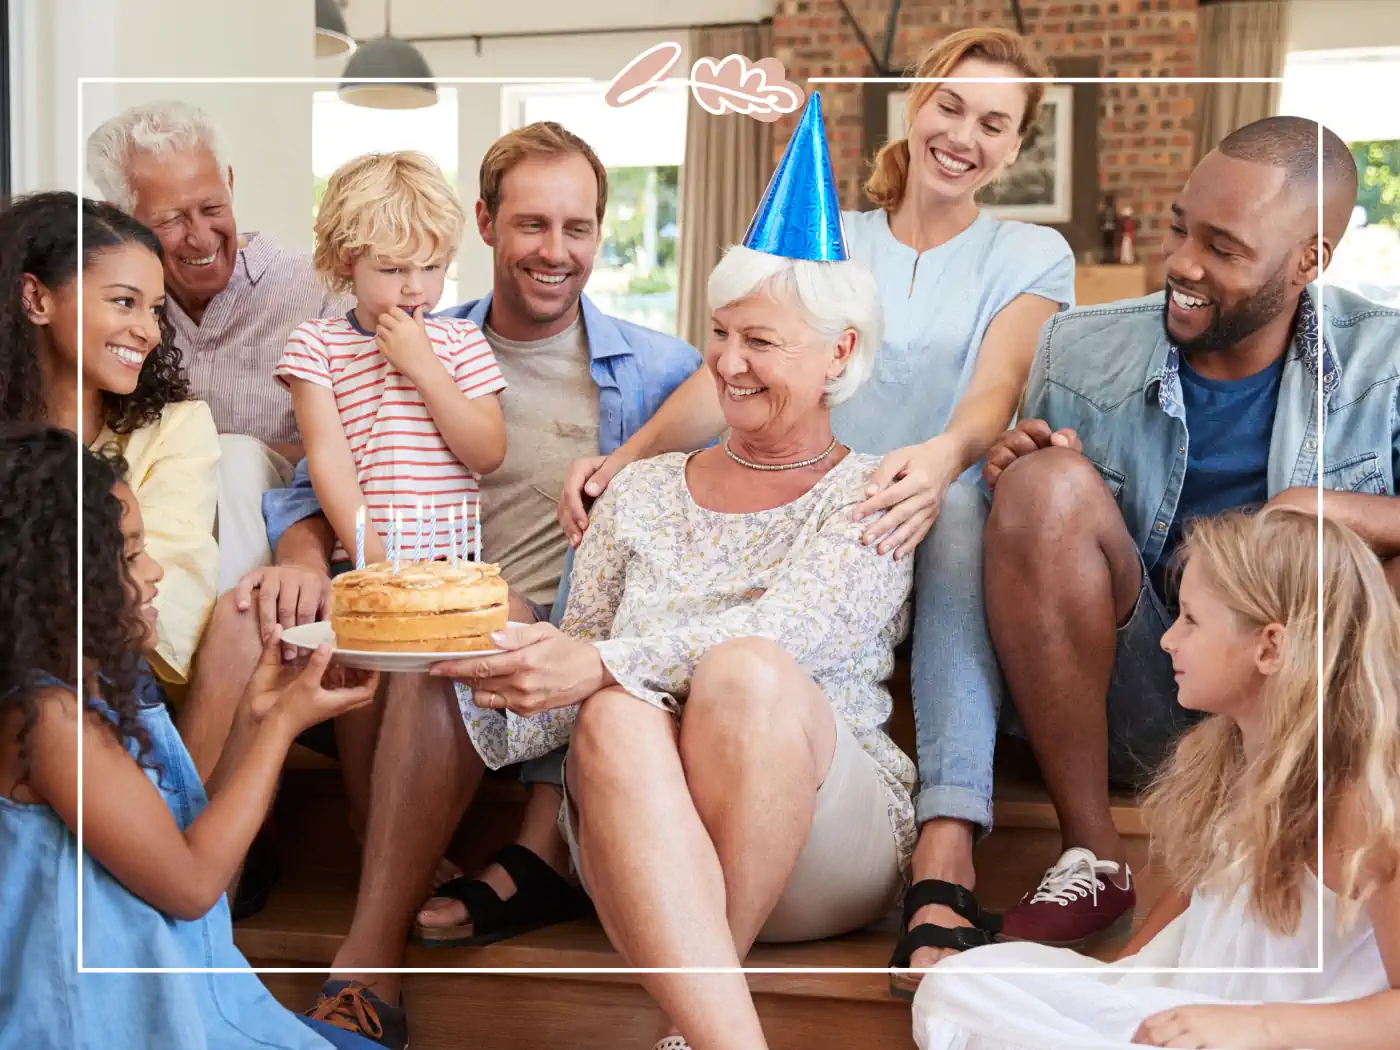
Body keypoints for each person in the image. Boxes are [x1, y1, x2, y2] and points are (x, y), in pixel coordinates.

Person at [555, 27, 1075, 984]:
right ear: (917, 106)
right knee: (628, 527)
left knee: (952, 505)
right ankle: (551, 824)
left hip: (917, 494)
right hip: (806, 488)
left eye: (995, 124)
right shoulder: (848, 238)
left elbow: (996, 388)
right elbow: (739, 369)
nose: (965, 135)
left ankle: (948, 836)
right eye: (951, 106)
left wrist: (936, 460)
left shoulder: (1028, 252)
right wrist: (622, 460)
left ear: (1015, 147)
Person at [437, 93, 913, 1050]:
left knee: (742, 669)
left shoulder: (876, 491)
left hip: (824, 842)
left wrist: (597, 664)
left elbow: (786, 638)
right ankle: (720, 1036)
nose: (728, 364)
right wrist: (506, 657)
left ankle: (700, 1011)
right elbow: (571, 690)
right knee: (611, 709)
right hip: (642, 840)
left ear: (841, 354)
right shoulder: (644, 490)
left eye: (761, 341)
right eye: (721, 333)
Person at [254, 121, 699, 1048]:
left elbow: (742, 395)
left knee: (445, 637)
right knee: (327, 627)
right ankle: (195, 916)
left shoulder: (652, 369)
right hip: (397, 604)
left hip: (528, 630)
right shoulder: (408, 337)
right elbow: (311, 479)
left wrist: (630, 456)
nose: (556, 250)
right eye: (533, 224)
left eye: (579, 228)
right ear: (489, 227)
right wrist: (301, 558)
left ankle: (367, 966)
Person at [979, 115, 1400, 948]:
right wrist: (1020, 477)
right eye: (1179, 227)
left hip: (1310, 709)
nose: (1182, 263)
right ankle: (1094, 856)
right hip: (1140, 686)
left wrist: (1328, 509)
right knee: (1044, 486)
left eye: (1224, 247)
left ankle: (1335, 838)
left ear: (1310, 260)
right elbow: (1043, 555)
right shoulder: (1076, 345)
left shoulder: (1385, 363)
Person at [912, 506, 1400, 1050]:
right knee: (959, 986)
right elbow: (1196, 900)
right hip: (1187, 1016)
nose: (1167, 640)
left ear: (1269, 647)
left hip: (1281, 1035)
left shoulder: (1363, 799)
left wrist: (1260, 1027)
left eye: (1190, 619)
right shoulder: (1225, 755)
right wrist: (1117, 985)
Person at [0, 426, 383, 1050]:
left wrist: (258, 720)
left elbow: (180, 843)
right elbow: (191, 885)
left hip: (194, 1007)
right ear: (54, 585)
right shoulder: (51, 722)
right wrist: (281, 731)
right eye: (127, 556)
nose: (154, 572)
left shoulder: (109, 699)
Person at [87, 100, 353, 590]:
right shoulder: (112, 311)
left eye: (212, 208)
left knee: (231, 458)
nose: (201, 236)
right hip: (154, 533)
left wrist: (197, 457)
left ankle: (235, 638)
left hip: (292, 529)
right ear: (117, 217)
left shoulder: (320, 291)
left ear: (229, 182)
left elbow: (363, 451)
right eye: (170, 221)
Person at [0, 191, 226, 765]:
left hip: (120, 678)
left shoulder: (176, 426)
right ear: (35, 298)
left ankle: (167, 834)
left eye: (154, 310)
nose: (148, 331)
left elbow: (157, 598)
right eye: (124, 302)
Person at [276, 149, 506, 575]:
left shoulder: (462, 340)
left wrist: (425, 368)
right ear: (348, 261)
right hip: (364, 566)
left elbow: (488, 452)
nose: (415, 287)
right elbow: (328, 462)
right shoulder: (317, 345)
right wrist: (374, 561)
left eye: (432, 266)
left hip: (455, 567)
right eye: (393, 270)